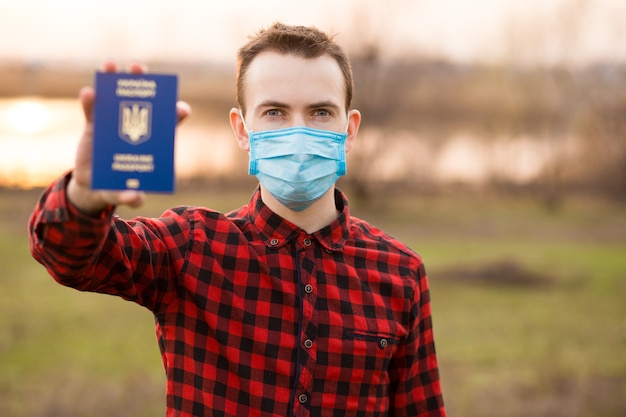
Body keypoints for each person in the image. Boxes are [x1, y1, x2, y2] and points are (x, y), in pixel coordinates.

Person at [28, 22, 446, 416]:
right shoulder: (190, 247)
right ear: (242, 129)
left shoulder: (400, 271)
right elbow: (71, 258)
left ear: (349, 130)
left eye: (320, 112)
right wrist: (84, 195)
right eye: (275, 112)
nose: (297, 131)